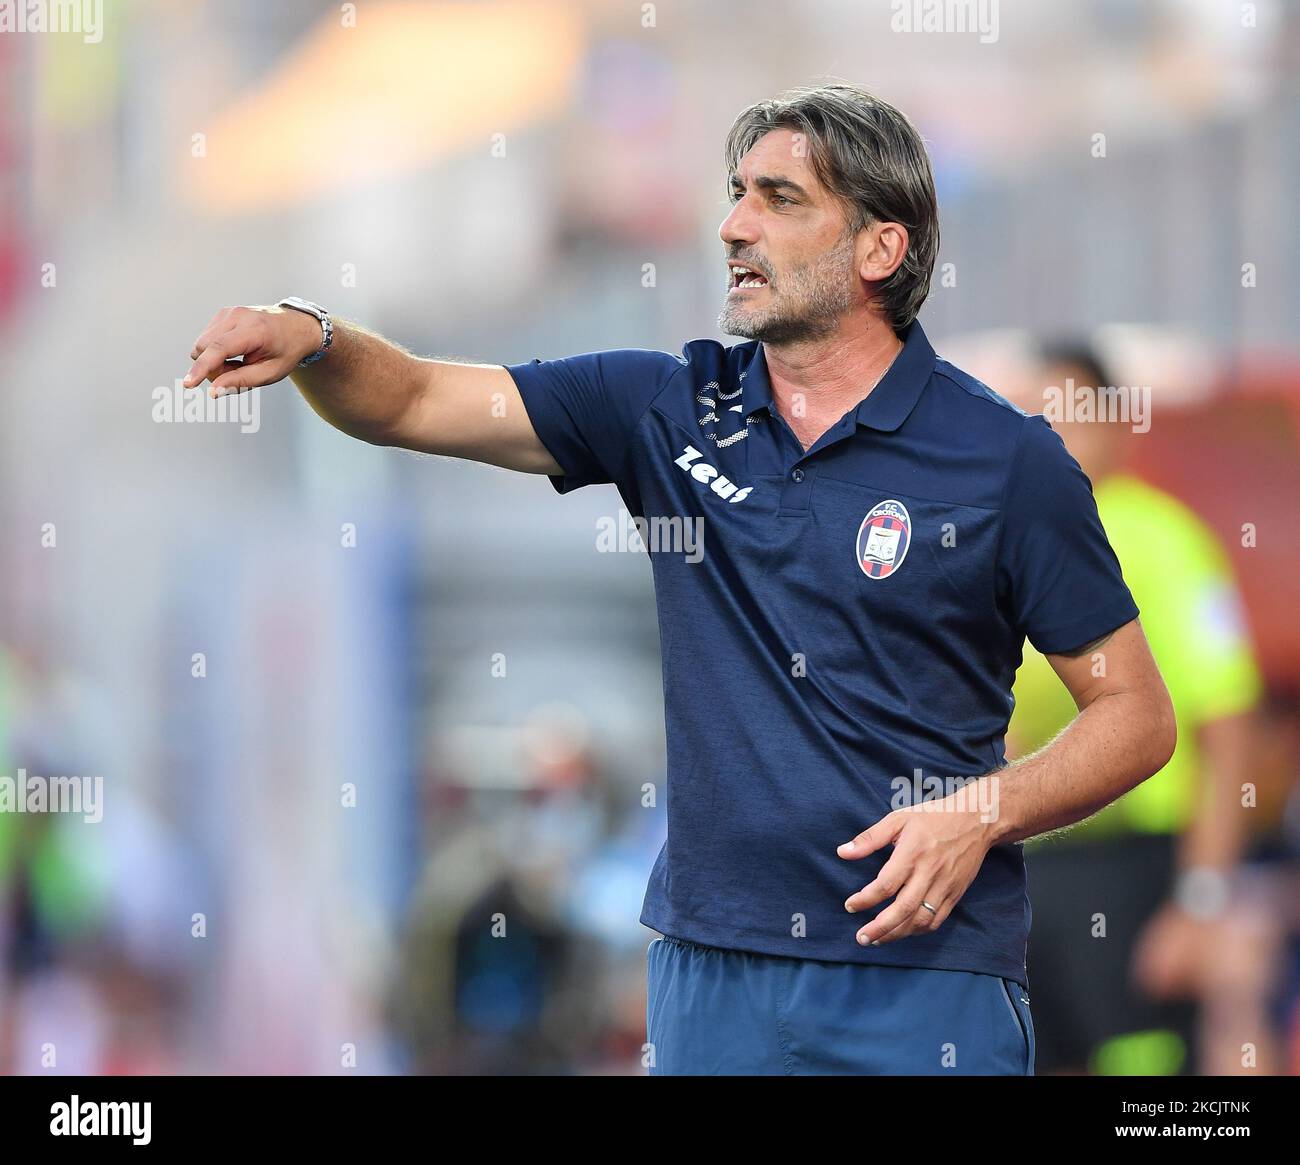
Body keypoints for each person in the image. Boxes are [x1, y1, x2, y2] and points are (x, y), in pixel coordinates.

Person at [180, 83, 1175, 1076]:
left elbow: (1135, 716)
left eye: (781, 201)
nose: (734, 226)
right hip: (711, 978)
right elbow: (416, 399)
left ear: (881, 249)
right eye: (737, 194)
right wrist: (313, 334)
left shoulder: (1005, 461)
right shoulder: (668, 406)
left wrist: (980, 811)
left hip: (918, 978)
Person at [1009, 340, 1265, 1075]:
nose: (1050, 431)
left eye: (1070, 412)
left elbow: (1229, 722)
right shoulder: (1015, 543)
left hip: (1137, 868)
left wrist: (1200, 898)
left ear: (1117, 424)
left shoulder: (1165, 538)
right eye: (1035, 413)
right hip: (1036, 865)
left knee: (1144, 1083)